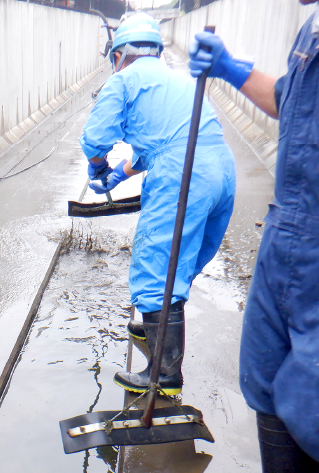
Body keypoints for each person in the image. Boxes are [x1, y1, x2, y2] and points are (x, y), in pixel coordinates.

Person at [189, 0, 319, 473]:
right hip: (289, 228)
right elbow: (291, 104)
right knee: (266, 369)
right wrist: (231, 69)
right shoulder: (318, 27)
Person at [80, 13, 236, 396]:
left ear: (119, 55)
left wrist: (98, 167)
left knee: (158, 264)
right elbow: (166, 142)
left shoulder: (122, 81)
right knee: (182, 261)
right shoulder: (179, 80)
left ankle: (164, 375)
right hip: (220, 170)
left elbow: (96, 139)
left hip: (183, 175)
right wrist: (121, 174)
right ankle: (156, 329)